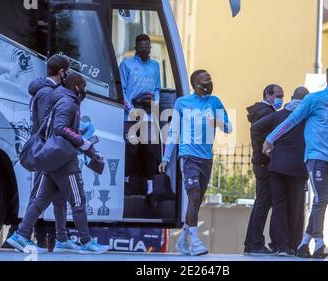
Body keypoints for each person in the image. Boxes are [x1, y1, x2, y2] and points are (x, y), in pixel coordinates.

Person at [7, 72, 109, 254]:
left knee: (41, 200)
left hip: (53, 159)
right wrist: (82, 143)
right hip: (65, 161)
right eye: (83, 87)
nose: (85, 91)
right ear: (77, 87)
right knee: (78, 201)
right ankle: (86, 242)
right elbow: (60, 128)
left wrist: (90, 149)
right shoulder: (68, 103)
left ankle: (20, 234)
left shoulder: (61, 99)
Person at [263, 65, 328, 259]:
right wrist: (270, 139)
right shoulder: (314, 99)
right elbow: (292, 120)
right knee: (321, 199)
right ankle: (320, 243)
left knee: (320, 203)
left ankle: (304, 244)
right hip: (316, 158)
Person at [158, 70, 232, 256]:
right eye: (206, 80)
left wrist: (218, 122)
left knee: (196, 201)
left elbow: (229, 127)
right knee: (193, 194)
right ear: (196, 84)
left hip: (206, 157)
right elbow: (174, 132)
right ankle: (195, 241)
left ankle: (182, 241)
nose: (210, 82)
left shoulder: (214, 102)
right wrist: (166, 158)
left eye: (210, 78)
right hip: (188, 155)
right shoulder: (182, 103)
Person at [2, 54, 71, 251]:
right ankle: (20, 235)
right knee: (41, 193)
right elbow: (48, 125)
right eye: (67, 71)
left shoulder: (41, 90)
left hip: (44, 148)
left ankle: (59, 238)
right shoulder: (48, 93)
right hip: (47, 150)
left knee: (55, 193)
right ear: (61, 72)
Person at [251, 87, 309, 256]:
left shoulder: (278, 115)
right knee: (296, 207)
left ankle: (281, 246)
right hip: (298, 167)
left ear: (291, 98)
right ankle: (294, 245)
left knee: (279, 206)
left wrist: (262, 152)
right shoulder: (308, 117)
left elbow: (255, 128)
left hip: (276, 166)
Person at [119, 34, 161, 205]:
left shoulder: (155, 66)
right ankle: (125, 185)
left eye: (148, 47)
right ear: (136, 48)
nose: (146, 50)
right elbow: (120, 90)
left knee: (150, 151)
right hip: (130, 115)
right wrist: (131, 108)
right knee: (131, 150)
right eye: (142, 47)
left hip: (149, 115)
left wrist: (154, 101)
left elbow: (158, 89)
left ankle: (151, 191)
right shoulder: (126, 64)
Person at [244, 84, 284, 255]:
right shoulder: (266, 113)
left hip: (260, 162)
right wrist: (269, 151)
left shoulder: (261, 111)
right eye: (278, 95)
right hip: (264, 163)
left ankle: (252, 242)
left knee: (262, 203)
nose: (281, 99)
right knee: (263, 203)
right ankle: (255, 243)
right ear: (268, 95)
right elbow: (263, 135)